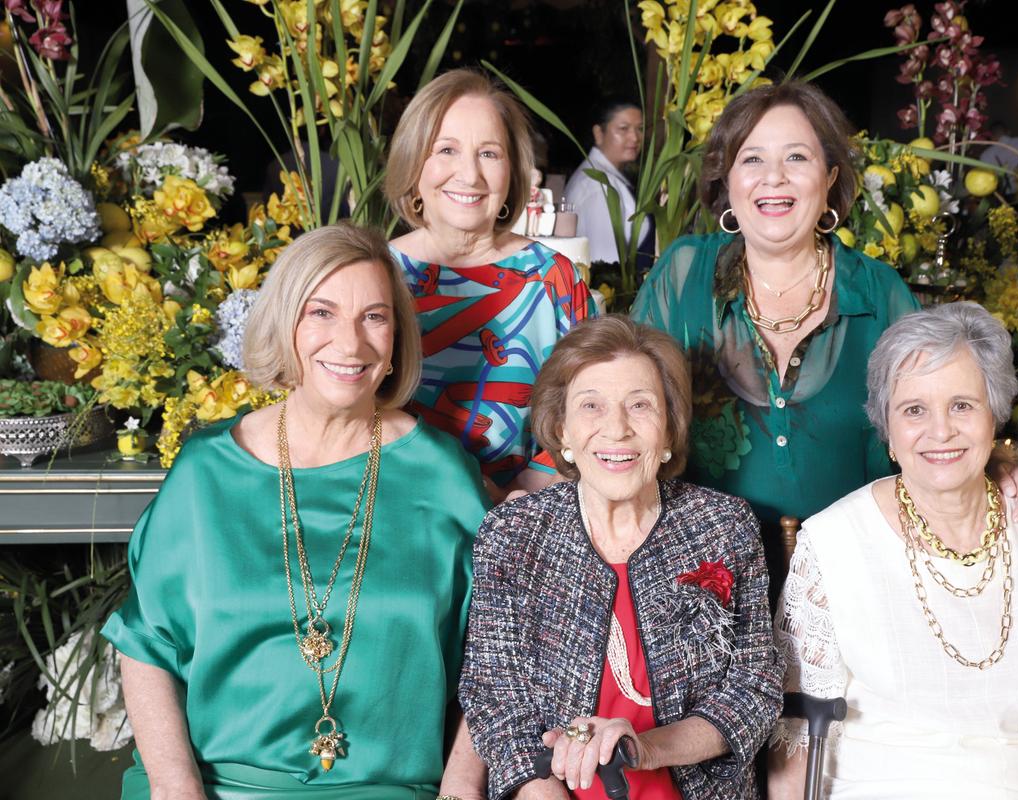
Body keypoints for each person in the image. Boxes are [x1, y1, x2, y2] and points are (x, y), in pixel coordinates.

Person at [630, 81, 1018, 596]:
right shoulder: (683, 276)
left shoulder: (877, 291)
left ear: (830, 177)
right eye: (752, 159)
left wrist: (1001, 472)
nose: (774, 177)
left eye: (797, 156)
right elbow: (626, 407)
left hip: (859, 580)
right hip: (699, 584)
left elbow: (938, 411)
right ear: (727, 179)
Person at [102, 223, 490, 799]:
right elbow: (146, 646)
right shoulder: (206, 473)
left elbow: (496, 660)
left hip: (390, 788)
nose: (351, 343)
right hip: (215, 786)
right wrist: (175, 788)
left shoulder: (443, 476)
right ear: (286, 323)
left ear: (397, 339)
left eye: (374, 317)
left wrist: (461, 791)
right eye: (322, 312)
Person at [769, 302, 1018, 799]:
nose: (941, 431)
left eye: (962, 405)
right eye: (914, 410)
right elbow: (796, 740)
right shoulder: (833, 544)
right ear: (887, 430)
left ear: (994, 417)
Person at [459, 315, 782, 800]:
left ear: (669, 431)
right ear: (562, 430)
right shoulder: (514, 534)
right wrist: (539, 790)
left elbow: (753, 689)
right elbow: (494, 696)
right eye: (591, 406)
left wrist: (648, 750)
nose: (617, 428)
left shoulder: (723, 525)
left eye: (640, 405)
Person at [385, 68, 594, 503]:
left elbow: (590, 406)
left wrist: (518, 497)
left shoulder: (553, 278)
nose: (469, 174)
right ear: (413, 164)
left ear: (513, 171)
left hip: (527, 511)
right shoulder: (377, 273)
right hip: (395, 506)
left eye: (489, 154)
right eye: (446, 149)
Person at [564, 98, 652, 268]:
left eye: (640, 129)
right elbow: (606, 265)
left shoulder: (606, 177)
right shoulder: (597, 186)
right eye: (623, 128)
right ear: (599, 133)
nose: (635, 137)